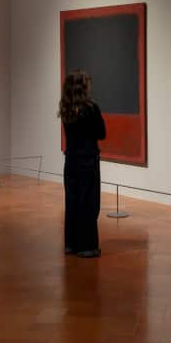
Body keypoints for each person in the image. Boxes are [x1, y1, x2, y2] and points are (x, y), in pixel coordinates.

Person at [58, 70, 105, 258]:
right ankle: (87, 246)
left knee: (72, 201)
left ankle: (71, 244)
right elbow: (101, 133)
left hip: (71, 160)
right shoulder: (91, 108)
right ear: (82, 87)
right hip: (88, 160)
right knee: (89, 202)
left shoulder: (66, 108)